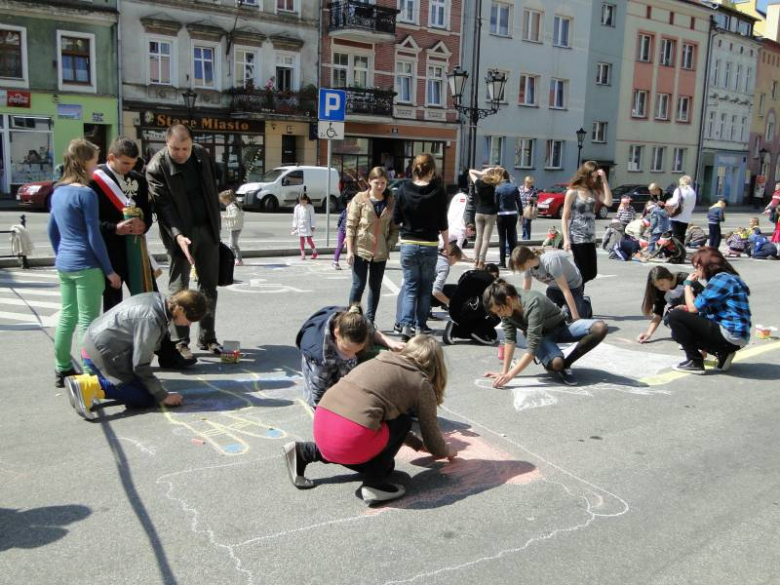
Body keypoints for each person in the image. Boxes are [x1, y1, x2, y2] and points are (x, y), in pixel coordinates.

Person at [283, 335, 456, 505]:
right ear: (435, 365)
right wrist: (447, 451)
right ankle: (374, 485)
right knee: (401, 423)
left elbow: (379, 417)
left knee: (385, 466)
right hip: (352, 434)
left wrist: (416, 444)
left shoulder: (381, 359)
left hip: (324, 420)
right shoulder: (420, 382)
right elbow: (431, 438)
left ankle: (304, 452)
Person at [65, 291, 208, 420]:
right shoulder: (151, 318)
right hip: (101, 354)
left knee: (148, 389)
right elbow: (140, 365)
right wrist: (163, 396)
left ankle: (99, 383)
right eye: (190, 319)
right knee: (144, 398)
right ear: (180, 309)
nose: (189, 324)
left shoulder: (160, 301)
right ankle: (87, 386)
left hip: (99, 344)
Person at [48, 139, 121, 388]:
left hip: (65, 263)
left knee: (68, 316)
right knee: (89, 323)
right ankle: (90, 375)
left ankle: (62, 368)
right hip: (87, 265)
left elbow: (52, 231)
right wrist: (109, 270)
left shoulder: (57, 191)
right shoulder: (86, 193)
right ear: (83, 162)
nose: (96, 166)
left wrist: (62, 255)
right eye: (94, 161)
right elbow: (94, 235)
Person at [147, 124, 223, 360]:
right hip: (178, 234)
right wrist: (178, 235)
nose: (181, 153)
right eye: (175, 149)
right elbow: (164, 206)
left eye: (185, 148)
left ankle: (208, 337)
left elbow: (212, 188)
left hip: (207, 229)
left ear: (192, 143)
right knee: (179, 289)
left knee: (209, 286)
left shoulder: (201, 154)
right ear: (166, 144)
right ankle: (179, 342)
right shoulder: (156, 167)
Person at [482, 280, 608, 387]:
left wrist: (510, 375)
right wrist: (504, 372)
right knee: (557, 364)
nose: (499, 315)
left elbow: (531, 348)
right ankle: (558, 363)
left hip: (561, 327)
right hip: (542, 337)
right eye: (496, 313)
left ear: (508, 300)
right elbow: (510, 339)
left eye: (499, 311)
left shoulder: (532, 303)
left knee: (600, 328)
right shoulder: (506, 307)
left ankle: (567, 363)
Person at [89, 137, 154, 312]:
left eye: (133, 163)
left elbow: (147, 211)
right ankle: (114, 339)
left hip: (136, 248)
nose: (129, 167)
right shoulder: (94, 181)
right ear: (111, 157)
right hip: (110, 251)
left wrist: (144, 225)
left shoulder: (139, 180)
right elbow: (90, 221)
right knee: (112, 305)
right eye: (125, 163)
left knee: (148, 298)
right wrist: (115, 228)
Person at [296, 305, 404, 408]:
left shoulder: (357, 321)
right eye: (347, 350)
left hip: (336, 353)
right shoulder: (321, 359)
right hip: (322, 370)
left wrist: (391, 343)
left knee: (382, 353)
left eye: (357, 350)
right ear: (337, 333)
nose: (351, 356)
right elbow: (319, 396)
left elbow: (372, 332)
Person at [667, 247, 751, 374]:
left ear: (705, 266)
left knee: (675, 316)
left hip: (731, 333)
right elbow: (705, 309)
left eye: (697, 267)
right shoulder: (729, 278)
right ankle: (723, 353)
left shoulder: (722, 279)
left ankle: (694, 362)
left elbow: (693, 308)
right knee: (679, 325)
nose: (695, 270)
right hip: (736, 335)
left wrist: (688, 284)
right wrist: (687, 309)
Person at [393, 153, 449, 341]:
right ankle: (421, 327)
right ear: (432, 170)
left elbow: (396, 218)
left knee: (410, 287)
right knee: (425, 289)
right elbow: (443, 222)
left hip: (408, 244)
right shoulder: (438, 190)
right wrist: (447, 245)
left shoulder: (403, 188)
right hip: (429, 245)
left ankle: (406, 327)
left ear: (414, 169)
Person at [345, 166, 399, 323]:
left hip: (380, 252)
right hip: (360, 249)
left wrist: (389, 244)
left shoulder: (390, 202)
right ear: (369, 182)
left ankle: (370, 321)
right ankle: (352, 320)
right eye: (377, 183)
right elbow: (351, 225)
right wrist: (349, 250)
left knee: (375, 288)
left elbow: (395, 229)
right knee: (358, 285)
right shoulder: (359, 199)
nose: (380, 186)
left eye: (383, 183)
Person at [561, 161, 613, 286]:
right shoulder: (573, 192)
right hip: (577, 237)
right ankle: (575, 298)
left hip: (590, 237)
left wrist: (604, 180)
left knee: (591, 273)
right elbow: (564, 217)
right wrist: (566, 239)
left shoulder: (594, 191)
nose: (594, 180)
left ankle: (572, 291)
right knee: (582, 272)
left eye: (596, 177)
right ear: (585, 175)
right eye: (592, 176)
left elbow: (608, 202)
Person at [510, 246, 591, 321]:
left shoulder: (550, 261)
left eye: (519, 268)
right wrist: (519, 310)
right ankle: (566, 307)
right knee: (551, 316)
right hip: (553, 287)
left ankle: (586, 303)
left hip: (572, 285)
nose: (519, 271)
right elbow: (526, 291)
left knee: (575, 315)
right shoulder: (528, 267)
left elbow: (566, 290)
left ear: (528, 261)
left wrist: (575, 317)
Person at [637, 266, 703, 343]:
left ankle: (698, 333)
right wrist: (648, 333)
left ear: (668, 277)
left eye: (662, 284)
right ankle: (689, 334)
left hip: (698, 311)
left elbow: (706, 297)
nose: (660, 288)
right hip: (682, 312)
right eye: (657, 286)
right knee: (668, 320)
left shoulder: (685, 279)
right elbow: (658, 313)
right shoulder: (660, 290)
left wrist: (687, 307)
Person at [442, 263, 501, 345]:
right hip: (467, 310)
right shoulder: (489, 280)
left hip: (454, 309)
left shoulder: (470, 273)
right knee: (498, 312)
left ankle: (455, 330)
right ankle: (479, 331)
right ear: (495, 274)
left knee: (491, 334)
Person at [467, 166, 503, 269]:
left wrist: (481, 173)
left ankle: (475, 260)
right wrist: (493, 170)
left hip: (479, 212)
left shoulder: (478, 183)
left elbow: (470, 172)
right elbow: (501, 175)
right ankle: (482, 261)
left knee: (478, 237)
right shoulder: (494, 184)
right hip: (490, 213)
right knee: (486, 239)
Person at [494, 173, 522, 268]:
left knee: (502, 239)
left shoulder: (498, 188)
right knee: (511, 238)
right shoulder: (514, 187)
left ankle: (502, 262)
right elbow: (519, 201)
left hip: (501, 215)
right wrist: (521, 214)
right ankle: (512, 262)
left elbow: (496, 203)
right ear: (508, 177)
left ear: (501, 177)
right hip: (512, 214)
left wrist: (495, 214)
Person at [431, 242, 464, 311]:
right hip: (424, 297)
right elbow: (436, 291)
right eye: (455, 261)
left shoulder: (433, 255)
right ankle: (426, 308)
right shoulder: (444, 266)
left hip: (413, 292)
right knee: (455, 289)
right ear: (453, 257)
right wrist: (451, 304)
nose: (453, 264)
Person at [667, 175, 697, 242]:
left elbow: (674, 202)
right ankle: (681, 250)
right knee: (682, 235)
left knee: (676, 235)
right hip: (686, 217)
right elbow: (693, 206)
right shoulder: (693, 192)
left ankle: (677, 251)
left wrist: (668, 202)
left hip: (676, 216)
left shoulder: (679, 190)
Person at [220, 189, 244, 266]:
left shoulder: (232, 206)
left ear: (227, 199)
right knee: (232, 244)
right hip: (236, 227)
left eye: (223, 201)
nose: (223, 203)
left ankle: (237, 260)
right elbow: (241, 214)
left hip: (235, 227)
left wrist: (226, 217)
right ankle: (232, 259)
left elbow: (235, 216)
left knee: (233, 245)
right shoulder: (234, 204)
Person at [292, 193, 317, 260]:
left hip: (308, 225)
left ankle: (314, 252)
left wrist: (313, 226)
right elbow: (295, 217)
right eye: (301, 201)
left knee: (309, 240)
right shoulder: (297, 207)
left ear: (307, 200)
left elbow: (313, 217)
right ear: (299, 201)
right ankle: (303, 254)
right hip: (300, 225)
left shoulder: (310, 207)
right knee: (302, 241)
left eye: (304, 201)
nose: (303, 203)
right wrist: (294, 226)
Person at [518, 176, 538, 241]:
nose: (529, 184)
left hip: (528, 210)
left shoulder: (534, 189)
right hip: (521, 208)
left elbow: (537, 198)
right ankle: (524, 236)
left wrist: (533, 198)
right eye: (527, 182)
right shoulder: (520, 188)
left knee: (527, 223)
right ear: (525, 182)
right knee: (523, 223)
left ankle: (526, 238)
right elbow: (518, 197)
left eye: (530, 183)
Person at [332, 205, 348, 270]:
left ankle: (351, 262)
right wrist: (338, 225)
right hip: (342, 230)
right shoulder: (344, 212)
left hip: (351, 232)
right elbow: (340, 218)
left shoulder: (355, 213)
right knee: (340, 245)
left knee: (350, 247)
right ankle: (335, 261)